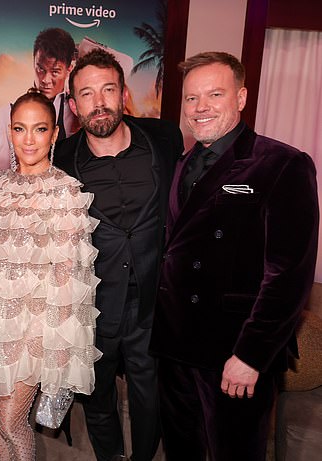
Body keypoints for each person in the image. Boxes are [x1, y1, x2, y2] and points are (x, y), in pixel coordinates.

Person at [149, 51, 319, 460]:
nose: (200, 107)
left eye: (214, 94)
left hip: (233, 352)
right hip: (175, 346)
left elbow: (288, 275)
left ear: (241, 97)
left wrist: (251, 355)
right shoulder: (182, 163)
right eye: (191, 98)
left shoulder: (281, 163)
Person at [54, 48, 184, 461]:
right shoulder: (62, 159)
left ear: (123, 94)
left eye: (108, 89)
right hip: (92, 305)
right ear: (74, 106)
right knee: (97, 391)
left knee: (150, 390)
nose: (99, 102)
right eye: (87, 94)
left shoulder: (164, 138)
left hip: (152, 296)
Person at [0, 88, 101, 461]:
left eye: (39, 129)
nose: (28, 139)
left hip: (37, 330)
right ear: (9, 131)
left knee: (11, 420)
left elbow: (75, 282)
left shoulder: (66, 194)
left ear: (54, 134)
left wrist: (61, 350)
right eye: (20, 128)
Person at [0, 28, 78, 170]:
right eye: (40, 69)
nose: (46, 79)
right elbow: (2, 168)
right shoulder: (8, 111)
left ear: (69, 68)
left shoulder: (77, 110)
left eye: (55, 71)